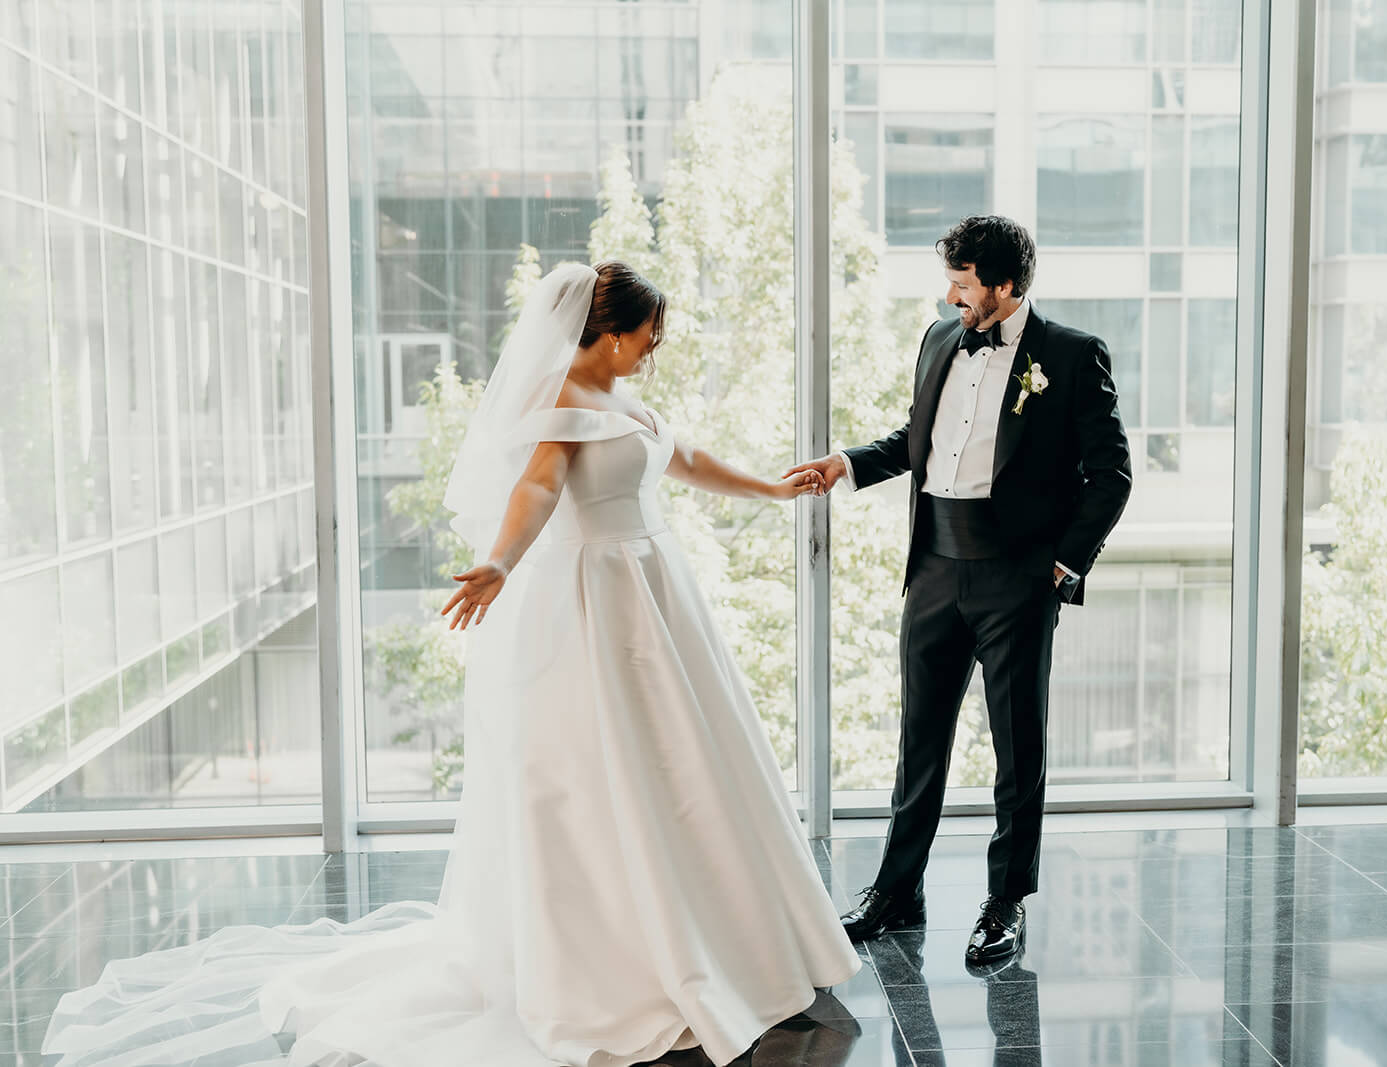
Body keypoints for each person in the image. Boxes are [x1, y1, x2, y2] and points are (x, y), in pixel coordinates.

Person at [43, 261, 862, 1067]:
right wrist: (501, 562)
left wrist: (773, 489)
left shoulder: (628, 397)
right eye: (650, 333)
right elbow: (537, 491)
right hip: (600, 602)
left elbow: (684, 461)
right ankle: (623, 954)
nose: (657, 346)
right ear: (609, 335)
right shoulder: (562, 403)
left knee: (690, 767)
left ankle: (724, 933)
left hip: (657, 590)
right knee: (607, 776)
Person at [787, 215, 1133, 965]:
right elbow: (915, 443)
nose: (949, 298)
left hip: (1018, 577)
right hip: (935, 568)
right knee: (921, 739)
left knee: (1017, 744)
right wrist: (844, 464)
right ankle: (897, 888)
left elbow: (1111, 476)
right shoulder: (940, 340)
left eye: (963, 284)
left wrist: (1061, 565)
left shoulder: (1072, 356)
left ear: (1005, 286)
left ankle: (1005, 901)